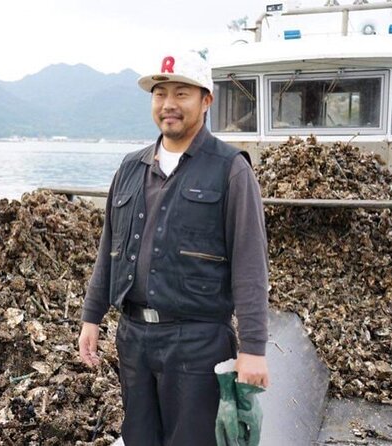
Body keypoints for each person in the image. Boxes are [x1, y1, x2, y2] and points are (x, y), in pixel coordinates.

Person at [78, 51, 270, 446]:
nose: (168, 104)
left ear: (206, 100)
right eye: (159, 93)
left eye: (181, 93)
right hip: (133, 337)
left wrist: (253, 349)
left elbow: (250, 265)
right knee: (139, 437)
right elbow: (108, 251)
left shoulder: (231, 169)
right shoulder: (130, 168)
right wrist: (91, 317)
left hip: (197, 342)